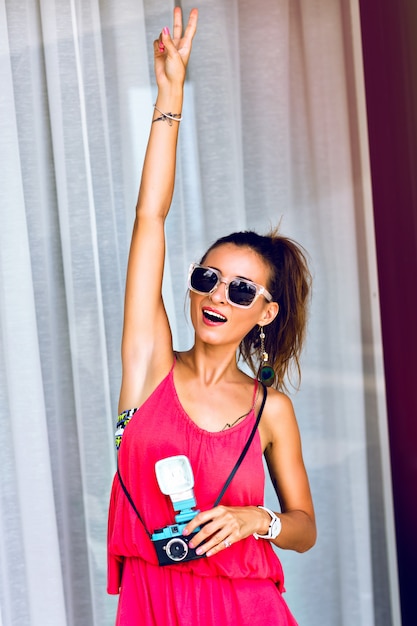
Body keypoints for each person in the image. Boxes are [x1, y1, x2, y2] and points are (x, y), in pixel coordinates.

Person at [107, 7, 316, 625]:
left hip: (248, 609)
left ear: (266, 313)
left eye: (242, 290)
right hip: (152, 604)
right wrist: (168, 99)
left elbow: (303, 529)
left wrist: (260, 520)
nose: (217, 295)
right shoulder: (149, 369)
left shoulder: (270, 409)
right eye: (207, 278)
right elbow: (151, 218)